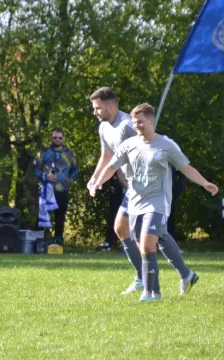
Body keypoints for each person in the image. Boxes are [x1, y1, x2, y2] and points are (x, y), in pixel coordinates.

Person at [90, 103, 218, 301]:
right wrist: (97, 182)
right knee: (145, 245)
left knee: (149, 244)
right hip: (135, 203)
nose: (137, 126)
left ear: (151, 120)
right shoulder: (129, 145)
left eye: (140, 122)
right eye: (134, 123)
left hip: (158, 202)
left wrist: (205, 183)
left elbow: (186, 168)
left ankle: (152, 293)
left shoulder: (166, 145)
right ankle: (182, 277)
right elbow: (111, 166)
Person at [87, 87, 142, 294]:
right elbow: (107, 156)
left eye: (98, 108)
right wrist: (94, 179)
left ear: (111, 106)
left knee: (148, 235)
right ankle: (145, 278)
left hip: (145, 186)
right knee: (122, 229)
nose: (95, 113)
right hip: (132, 187)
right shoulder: (104, 127)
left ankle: (174, 274)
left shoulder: (128, 126)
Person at [33, 128, 78, 244]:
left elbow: (75, 171)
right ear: (51, 138)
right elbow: (35, 169)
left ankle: (58, 242)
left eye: (60, 138)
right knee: (42, 216)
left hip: (62, 190)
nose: (57, 140)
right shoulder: (43, 152)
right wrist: (44, 176)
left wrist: (69, 181)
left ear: (63, 138)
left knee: (60, 217)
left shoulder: (69, 153)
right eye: (55, 137)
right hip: (47, 190)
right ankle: (38, 243)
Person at [97, 171, 126, 251]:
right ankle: (110, 243)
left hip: (129, 195)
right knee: (114, 218)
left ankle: (126, 244)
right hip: (119, 194)